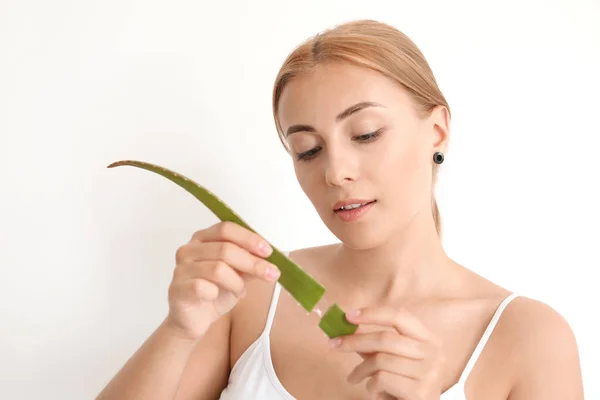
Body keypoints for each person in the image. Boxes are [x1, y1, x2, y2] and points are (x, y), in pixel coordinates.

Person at [96, 19, 584, 400]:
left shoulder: (528, 338)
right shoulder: (252, 297)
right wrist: (179, 331)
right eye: (307, 150)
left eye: (366, 133)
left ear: (436, 131)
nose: (335, 171)